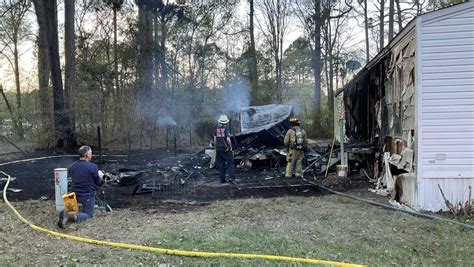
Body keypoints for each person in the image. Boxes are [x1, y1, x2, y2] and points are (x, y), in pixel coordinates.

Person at [58, 145, 104, 228]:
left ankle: (67, 212)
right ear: (86, 154)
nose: (91, 155)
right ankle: (74, 216)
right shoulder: (93, 166)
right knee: (89, 214)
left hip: (74, 194)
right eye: (91, 153)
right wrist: (100, 177)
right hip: (87, 194)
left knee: (77, 207)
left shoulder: (72, 166)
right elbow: (98, 183)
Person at [214, 114, 236, 184]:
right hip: (225, 148)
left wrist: (216, 147)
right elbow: (228, 139)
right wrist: (230, 147)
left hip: (218, 148)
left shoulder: (216, 128)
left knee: (221, 164)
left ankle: (222, 179)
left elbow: (215, 139)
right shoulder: (226, 129)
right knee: (231, 163)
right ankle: (231, 178)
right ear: (226, 122)